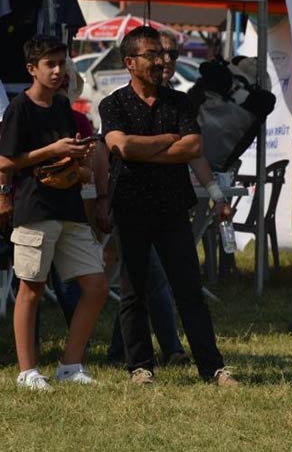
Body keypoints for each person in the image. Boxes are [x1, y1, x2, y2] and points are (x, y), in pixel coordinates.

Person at [99, 26, 235, 386]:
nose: (162, 61)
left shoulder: (179, 102)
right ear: (130, 62)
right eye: (152, 55)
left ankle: (213, 367)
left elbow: (192, 149)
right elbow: (121, 148)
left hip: (173, 209)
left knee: (189, 289)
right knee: (134, 291)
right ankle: (140, 367)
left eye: (165, 55)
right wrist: (165, 142)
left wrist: (142, 149)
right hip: (130, 208)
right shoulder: (112, 104)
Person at [0, 34, 109, 391]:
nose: (58, 70)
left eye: (62, 63)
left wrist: (77, 160)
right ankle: (27, 372)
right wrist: (52, 150)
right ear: (32, 68)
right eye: (50, 64)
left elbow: (62, 155)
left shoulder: (64, 107)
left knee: (95, 285)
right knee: (31, 288)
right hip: (34, 207)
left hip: (69, 205)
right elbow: (5, 161)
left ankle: (70, 364)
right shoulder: (19, 108)